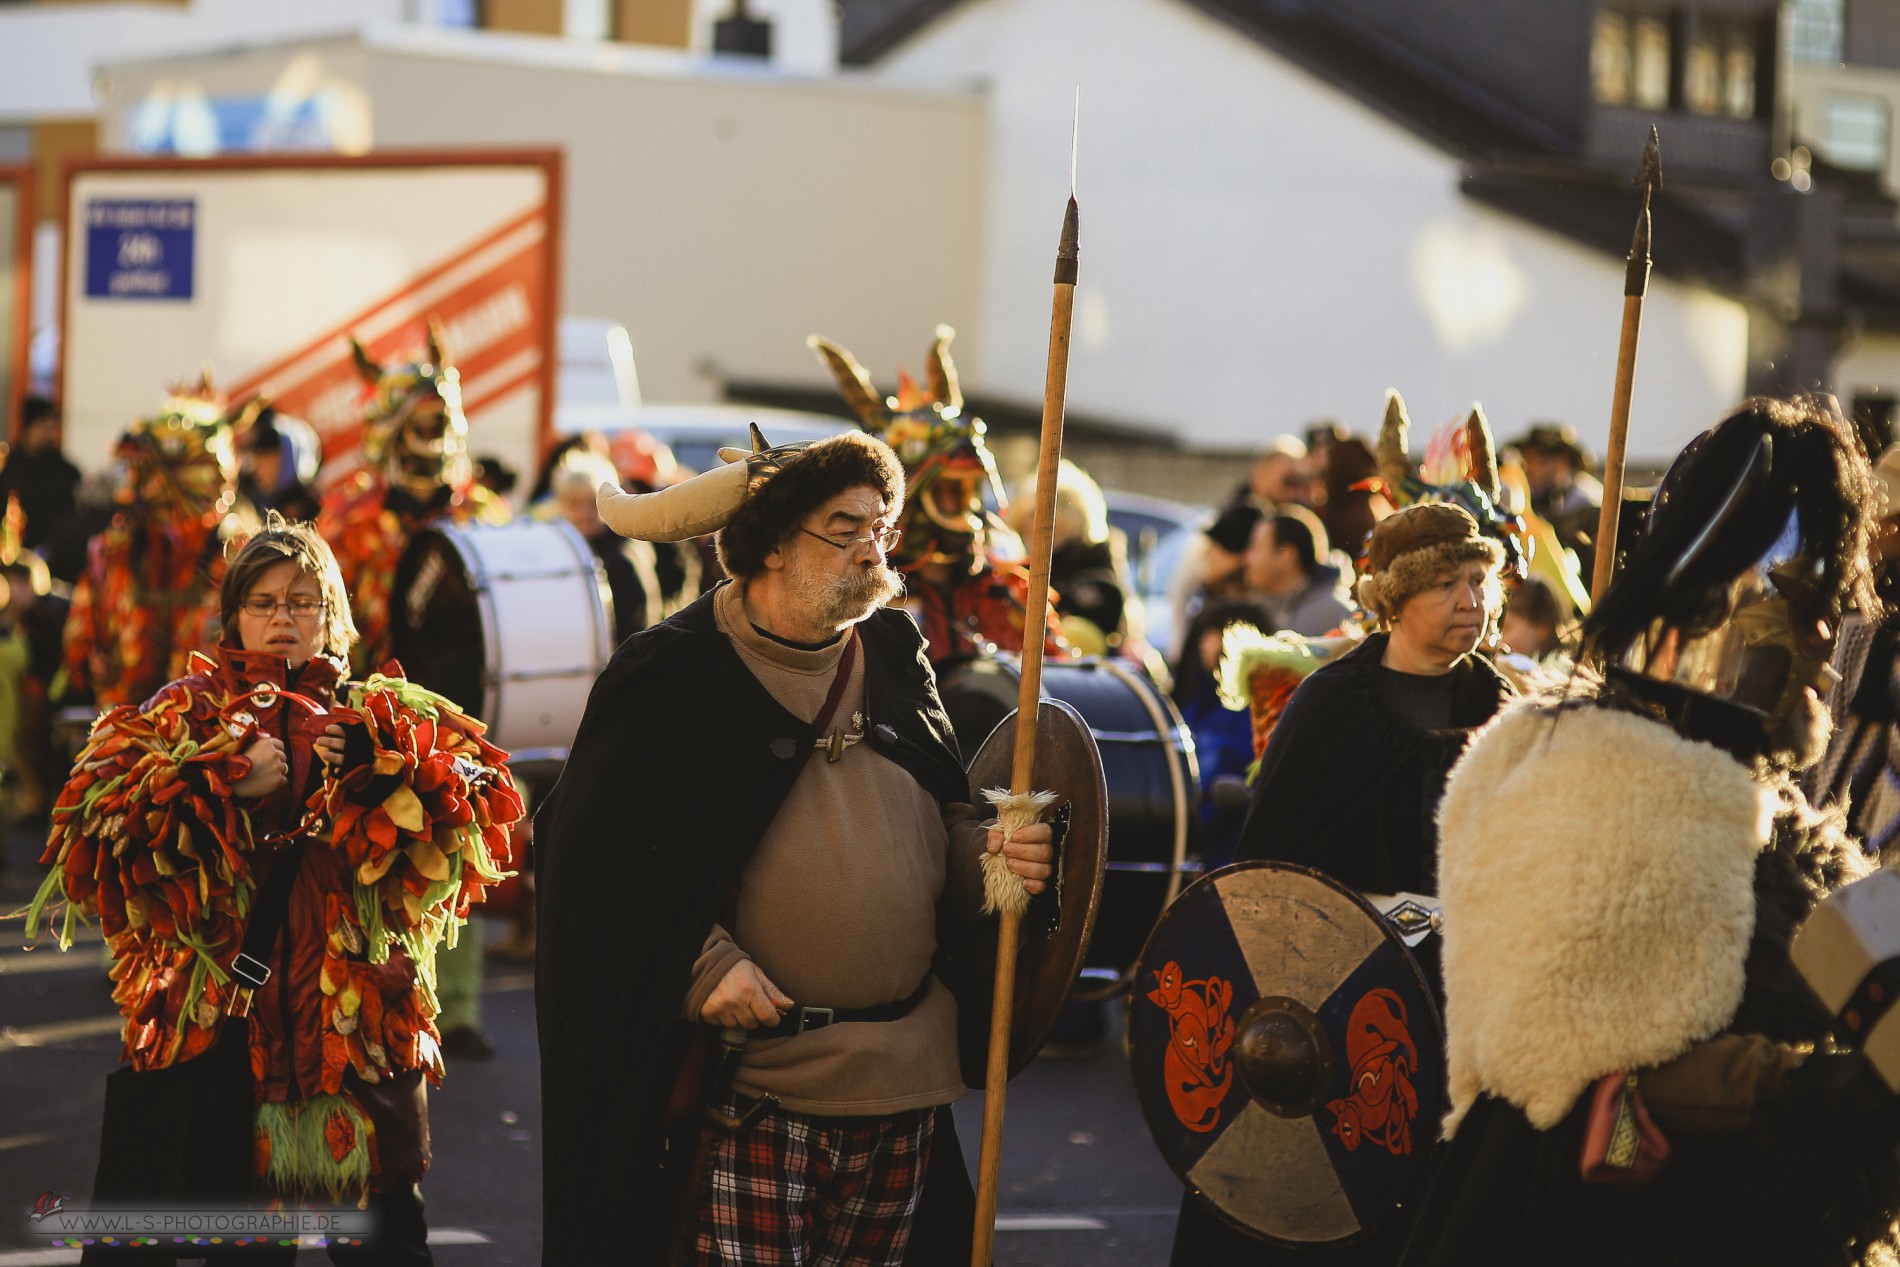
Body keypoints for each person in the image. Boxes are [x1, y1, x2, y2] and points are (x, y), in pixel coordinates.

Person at [534, 428, 1056, 1265]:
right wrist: (703, 966)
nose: (872, 550)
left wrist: (992, 855)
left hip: (904, 1084)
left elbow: (940, 820)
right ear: (771, 545)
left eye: (880, 528)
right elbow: (593, 869)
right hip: (760, 1092)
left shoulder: (890, 652)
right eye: (844, 528)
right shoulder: (672, 674)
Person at [1405, 396, 1900, 1267]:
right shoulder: (1606, 777)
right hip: (1584, 1223)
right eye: (1808, 601)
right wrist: (1821, 1091)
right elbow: (1598, 1074)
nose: (1829, 635)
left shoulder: (1754, 803)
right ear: (1728, 606)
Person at [28, 515, 523, 1264]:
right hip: (218, 1028)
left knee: (387, 1243)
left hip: (349, 1035)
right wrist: (221, 778)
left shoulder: (380, 713)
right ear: (233, 616)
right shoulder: (183, 711)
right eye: (263, 602)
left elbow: (481, 803)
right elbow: (97, 817)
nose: (283, 619)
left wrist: (384, 769)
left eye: (303, 601)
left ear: (334, 616)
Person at [1169, 501, 1514, 1266]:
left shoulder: (1502, 712)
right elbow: (1272, 874)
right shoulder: (1332, 707)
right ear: (1394, 599)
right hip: (1332, 1012)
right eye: (1449, 584)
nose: (1472, 602)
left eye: (1480, 581)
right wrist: (1403, 917)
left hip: (1464, 1019)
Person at [807, 326, 1063, 667]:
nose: (956, 506)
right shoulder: (858, 592)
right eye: (943, 490)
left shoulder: (1009, 591)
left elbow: (1057, 676)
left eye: (960, 491)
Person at [316, 328, 509, 677]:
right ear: (392, 430)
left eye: (440, 424)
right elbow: (326, 619)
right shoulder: (352, 521)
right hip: (374, 693)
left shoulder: (484, 515)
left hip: (467, 688)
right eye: (423, 426)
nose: (435, 437)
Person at [63, 380, 254, 710]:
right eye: (150, 475)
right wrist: (91, 663)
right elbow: (80, 644)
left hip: (212, 730)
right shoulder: (115, 551)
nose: (156, 490)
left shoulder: (240, 554)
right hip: (125, 724)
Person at [1809, 441, 1900, 855]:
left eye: (1881, 516)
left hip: (1859, 817)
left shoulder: (1882, 620)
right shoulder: (1858, 593)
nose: (1869, 525)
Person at [550, 450, 663, 645]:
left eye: (593, 504)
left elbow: (638, 625)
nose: (584, 514)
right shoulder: (563, 547)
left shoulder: (623, 553)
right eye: (574, 504)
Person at [1242, 506, 1352, 637]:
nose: (1247, 559)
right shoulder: (1264, 609)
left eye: (1256, 548)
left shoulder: (1333, 615)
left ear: (1287, 555)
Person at [1509, 422, 1603, 575]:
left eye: (1539, 460)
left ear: (1562, 461)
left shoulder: (1589, 501)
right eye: (1527, 460)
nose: (1529, 468)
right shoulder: (1523, 498)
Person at [1, 394, 82, 554]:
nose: (49, 434)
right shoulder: (10, 466)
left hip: (53, 556)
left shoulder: (64, 471)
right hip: (12, 551)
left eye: (52, 428)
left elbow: (68, 518)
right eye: (43, 427)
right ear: (28, 428)